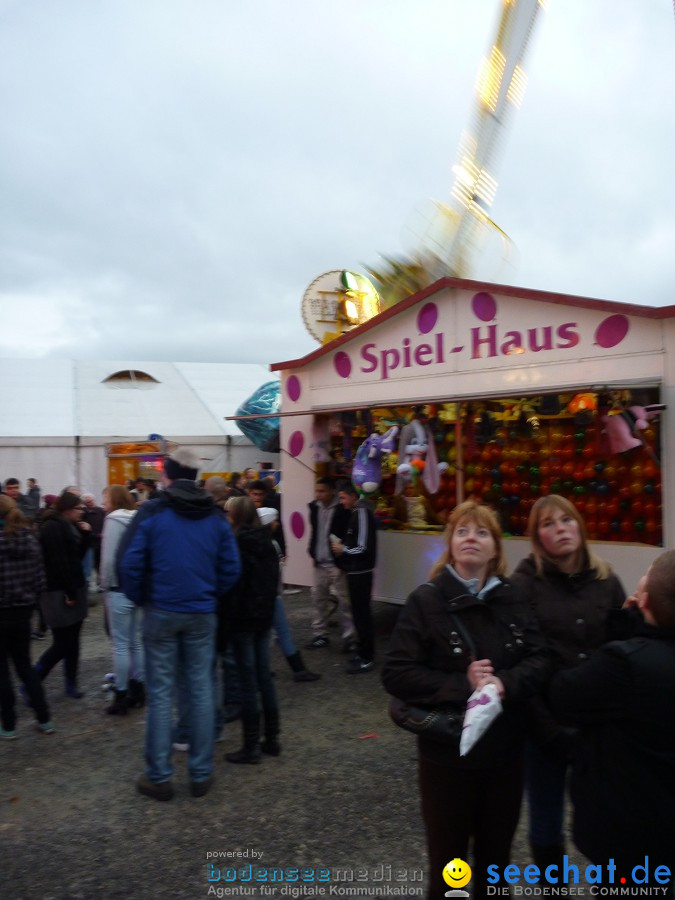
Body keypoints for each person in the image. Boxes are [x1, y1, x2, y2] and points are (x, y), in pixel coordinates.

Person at [382, 500, 551, 900]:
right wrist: (464, 684)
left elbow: (542, 658)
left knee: (496, 861)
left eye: (482, 532)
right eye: (462, 531)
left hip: (505, 754)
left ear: (495, 548)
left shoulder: (513, 598)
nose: (471, 538)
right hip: (446, 757)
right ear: (450, 544)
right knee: (450, 864)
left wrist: (504, 684)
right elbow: (397, 673)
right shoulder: (426, 601)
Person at [510, 494, 625, 871]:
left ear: (580, 525)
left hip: (598, 727)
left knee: (606, 818)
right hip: (544, 727)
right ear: (536, 536)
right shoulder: (523, 586)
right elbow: (518, 664)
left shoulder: (607, 580)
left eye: (566, 520)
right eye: (548, 524)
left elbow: (622, 653)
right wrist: (549, 731)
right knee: (546, 823)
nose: (560, 529)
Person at [549, 552, 675, 889]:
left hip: (631, 835)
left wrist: (625, 628)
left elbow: (564, 696)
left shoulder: (624, 664)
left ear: (644, 600)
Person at [120, 449, 240, 800]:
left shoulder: (153, 512)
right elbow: (231, 568)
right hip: (202, 612)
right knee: (201, 689)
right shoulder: (215, 516)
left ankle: (159, 776)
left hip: (161, 611)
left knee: (161, 694)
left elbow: (130, 565)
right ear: (198, 477)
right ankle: (200, 774)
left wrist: (144, 598)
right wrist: (208, 594)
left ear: (167, 476)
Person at [220, 496, 280, 763]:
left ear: (235, 515)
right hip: (263, 617)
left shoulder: (237, 544)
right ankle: (272, 738)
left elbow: (234, 587)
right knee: (264, 679)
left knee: (247, 682)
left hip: (244, 619)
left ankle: (251, 746)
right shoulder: (266, 542)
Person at [0, 496, 54, 738]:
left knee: (2, 671)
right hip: (23, 612)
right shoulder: (31, 539)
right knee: (25, 667)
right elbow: (40, 579)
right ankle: (44, 719)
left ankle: (9, 725)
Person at [35, 492, 91, 698]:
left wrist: (85, 535)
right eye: (79, 508)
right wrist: (70, 592)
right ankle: (33, 680)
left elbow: (77, 557)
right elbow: (59, 562)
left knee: (74, 640)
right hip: (58, 591)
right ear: (67, 509)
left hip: (72, 587)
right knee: (62, 643)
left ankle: (71, 683)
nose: (82, 512)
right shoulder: (52, 527)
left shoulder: (70, 525)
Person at [99, 485, 142, 715]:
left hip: (118, 588)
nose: (103, 503)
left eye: (105, 499)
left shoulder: (113, 520)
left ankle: (122, 694)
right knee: (135, 642)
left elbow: (108, 560)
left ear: (114, 500)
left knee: (121, 645)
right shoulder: (137, 518)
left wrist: (104, 585)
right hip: (136, 588)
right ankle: (139, 687)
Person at [332, 481, 377, 674]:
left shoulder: (362, 513)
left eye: (343, 498)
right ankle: (362, 651)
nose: (341, 502)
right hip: (354, 570)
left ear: (352, 496)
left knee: (362, 614)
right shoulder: (356, 514)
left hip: (361, 572)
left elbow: (363, 546)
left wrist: (344, 549)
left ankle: (367, 657)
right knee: (358, 614)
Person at [305, 477, 354, 653]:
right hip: (319, 561)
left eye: (322, 491)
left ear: (332, 491)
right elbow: (315, 532)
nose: (318, 494)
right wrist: (312, 550)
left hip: (336, 563)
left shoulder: (343, 509)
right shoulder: (314, 508)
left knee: (344, 601)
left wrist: (344, 555)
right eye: (317, 490)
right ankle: (320, 634)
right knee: (318, 599)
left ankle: (349, 637)